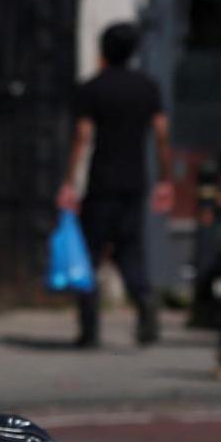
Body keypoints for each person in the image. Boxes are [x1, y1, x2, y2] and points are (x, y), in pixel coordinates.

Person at [56, 22, 173, 347]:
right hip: (135, 182)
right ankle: (145, 299)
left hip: (102, 182)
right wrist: (165, 178)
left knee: (89, 254)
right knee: (130, 250)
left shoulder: (92, 88)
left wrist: (69, 182)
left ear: (104, 51)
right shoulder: (147, 87)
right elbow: (162, 134)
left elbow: (82, 136)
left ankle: (89, 328)